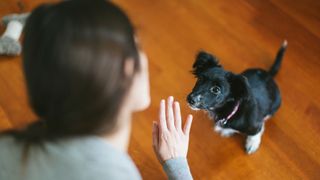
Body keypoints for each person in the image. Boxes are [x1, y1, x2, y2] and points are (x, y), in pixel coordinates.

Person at [0, 0, 194, 179]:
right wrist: (178, 167)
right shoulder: (113, 174)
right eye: (137, 46)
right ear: (127, 69)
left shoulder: (6, 147)